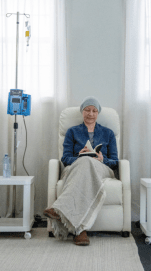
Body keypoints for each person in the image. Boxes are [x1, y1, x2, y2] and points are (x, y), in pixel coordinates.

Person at [43, 97, 118, 246]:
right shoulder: (72, 132)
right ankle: (80, 231)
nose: (90, 114)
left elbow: (115, 162)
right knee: (84, 162)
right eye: (87, 110)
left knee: (88, 161)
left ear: (98, 113)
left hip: (102, 168)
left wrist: (102, 159)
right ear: (82, 112)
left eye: (94, 111)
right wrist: (79, 156)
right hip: (77, 167)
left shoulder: (108, 133)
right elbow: (65, 159)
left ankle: (60, 209)